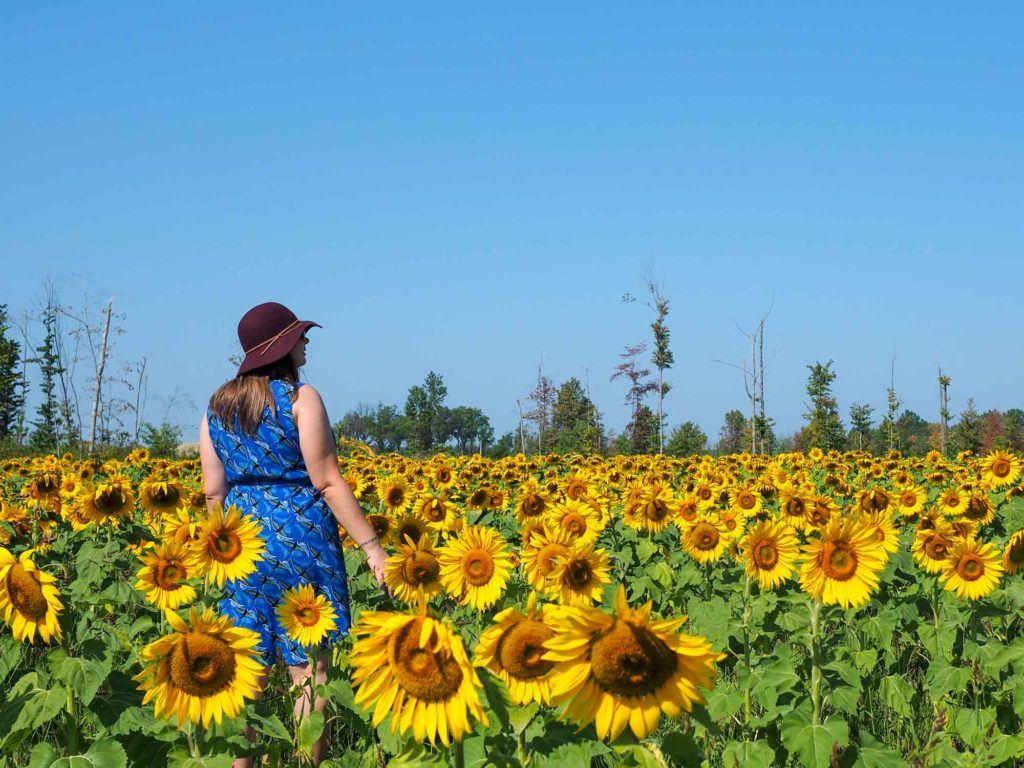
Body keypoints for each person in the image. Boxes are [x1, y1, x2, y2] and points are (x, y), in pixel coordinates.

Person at [199, 301, 388, 768]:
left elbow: (212, 492)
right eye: (299, 335)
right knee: (308, 674)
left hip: (240, 543)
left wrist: (221, 550)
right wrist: (372, 546)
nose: (306, 342)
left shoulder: (217, 407)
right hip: (302, 537)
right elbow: (325, 479)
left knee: (246, 671)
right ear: (282, 347)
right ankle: (307, 763)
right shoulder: (302, 399)